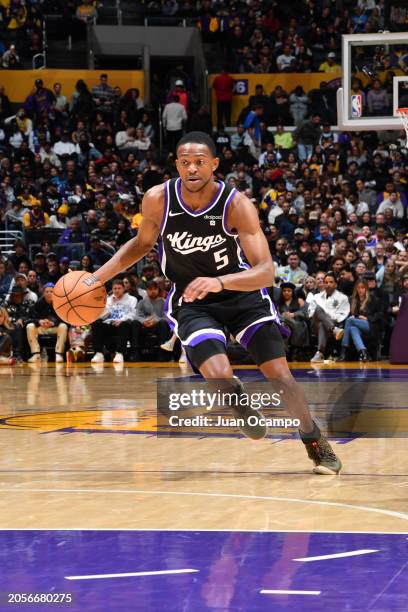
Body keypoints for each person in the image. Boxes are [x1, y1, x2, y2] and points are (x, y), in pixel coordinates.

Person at [86, 131, 342, 475]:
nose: (192, 169)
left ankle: (313, 439)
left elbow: (266, 273)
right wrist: (96, 278)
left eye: (200, 162)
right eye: (186, 163)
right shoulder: (157, 199)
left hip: (243, 295)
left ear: (214, 165)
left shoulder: (236, 204)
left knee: (280, 376)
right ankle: (240, 402)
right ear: (177, 164)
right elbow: (140, 244)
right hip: (193, 301)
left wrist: (220, 281)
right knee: (220, 375)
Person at [91, 277, 137, 363]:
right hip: (110, 324)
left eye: (119, 288)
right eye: (115, 288)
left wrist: (122, 320)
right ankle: (99, 354)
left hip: (123, 325)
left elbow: (132, 314)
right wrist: (110, 305)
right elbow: (103, 316)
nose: (117, 290)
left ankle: (119, 353)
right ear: (112, 289)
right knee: (96, 323)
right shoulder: (108, 300)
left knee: (125, 324)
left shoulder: (132, 299)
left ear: (124, 289)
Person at [308, 272, 350, 363]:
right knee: (318, 310)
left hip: (333, 323)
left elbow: (343, 315)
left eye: (331, 282)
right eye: (326, 282)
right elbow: (311, 313)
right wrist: (324, 315)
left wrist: (327, 318)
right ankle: (334, 330)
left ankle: (320, 353)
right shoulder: (316, 297)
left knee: (324, 323)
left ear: (335, 284)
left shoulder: (343, 298)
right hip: (315, 324)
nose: (328, 285)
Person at [338, 279, 381, 362]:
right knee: (352, 328)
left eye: (362, 288)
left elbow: (380, 314)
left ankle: (343, 350)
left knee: (349, 321)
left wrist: (368, 318)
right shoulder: (352, 300)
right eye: (358, 288)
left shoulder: (373, 299)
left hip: (370, 325)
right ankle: (363, 352)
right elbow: (350, 314)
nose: (360, 290)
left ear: (366, 289)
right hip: (357, 325)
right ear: (356, 289)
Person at [26, 284, 68, 363]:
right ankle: (36, 354)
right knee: (30, 326)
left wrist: (53, 322)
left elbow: (64, 318)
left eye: (51, 291)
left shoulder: (60, 303)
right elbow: (32, 318)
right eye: (47, 291)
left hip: (55, 327)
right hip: (42, 327)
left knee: (63, 326)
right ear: (43, 293)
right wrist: (39, 321)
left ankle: (59, 353)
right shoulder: (38, 304)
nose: (49, 293)